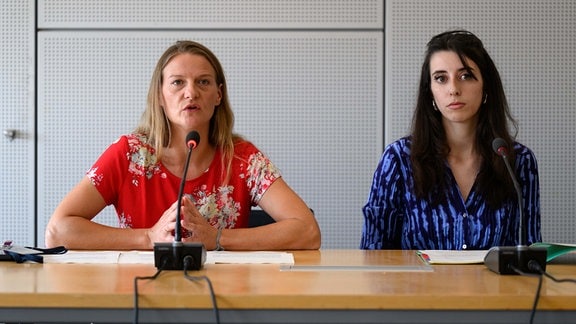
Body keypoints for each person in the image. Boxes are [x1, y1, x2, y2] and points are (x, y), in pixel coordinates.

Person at [45, 40, 321, 251]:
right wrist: (148, 237)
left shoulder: (243, 158)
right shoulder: (129, 153)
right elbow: (58, 230)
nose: (191, 92)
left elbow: (308, 231)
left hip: (225, 299)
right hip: (139, 293)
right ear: (160, 96)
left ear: (218, 95)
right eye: (178, 82)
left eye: (203, 82)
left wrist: (217, 238)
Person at [360, 30, 541, 250]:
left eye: (466, 76)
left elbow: (529, 254)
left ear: (486, 87)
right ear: (431, 92)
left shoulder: (518, 161)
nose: (454, 89)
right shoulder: (398, 160)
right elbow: (373, 255)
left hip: (494, 286)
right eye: (441, 78)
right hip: (416, 285)